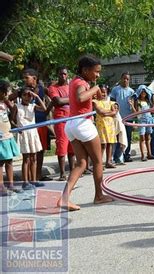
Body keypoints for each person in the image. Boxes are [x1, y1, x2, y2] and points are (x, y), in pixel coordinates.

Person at [58, 54, 114, 211]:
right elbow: (81, 97)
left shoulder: (74, 81)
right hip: (83, 124)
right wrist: (95, 88)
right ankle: (99, 196)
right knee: (97, 161)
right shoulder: (82, 83)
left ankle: (64, 198)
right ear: (85, 70)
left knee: (81, 163)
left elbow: (85, 100)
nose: (98, 75)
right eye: (96, 72)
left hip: (71, 125)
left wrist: (95, 94)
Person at [21, 69, 52, 182]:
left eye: (26, 77)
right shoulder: (22, 90)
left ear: (34, 78)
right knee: (28, 153)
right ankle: (28, 177)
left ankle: (37, 175)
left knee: (39, 150)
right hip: (28, 125)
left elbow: (46, 104)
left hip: (40, 122)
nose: (24, 80)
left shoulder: (41, 89)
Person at [15, 87, 47, 189]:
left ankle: (33, 181)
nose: (27, 97)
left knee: (34, 158)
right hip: (24, 134)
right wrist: (17, 127)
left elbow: (44, 109)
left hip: (33, 133)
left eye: (29, 95)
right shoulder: (17, 106)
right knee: (26, 159)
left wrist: (37, 96)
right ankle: (25, 182)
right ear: (21, 96)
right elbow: (12, 120)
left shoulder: (33, 106)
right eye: (24, 95)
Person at [47, 67, 74, 181]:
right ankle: (62, 173)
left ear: (67, 75)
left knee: (72, 147)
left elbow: (66, 100)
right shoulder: (53, 87)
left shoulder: (71, 87)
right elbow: (58, 101)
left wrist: (67, 99)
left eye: (65, 74)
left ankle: (73, 171)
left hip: (72, 119)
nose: (63, 76)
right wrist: (73, 99)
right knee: (62, 146)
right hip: (61, 120)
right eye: (61, 74)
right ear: (57, 75)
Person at [0, 80, 21, 194]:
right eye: (5, 92)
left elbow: (14, 109)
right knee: (0, 162)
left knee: (9, 160)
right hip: (0, 137)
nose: (6, 94)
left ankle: (11, 184)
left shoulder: (5, 103)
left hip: (7, 135)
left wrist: (8, 102)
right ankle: (1, 186)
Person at [110, 72, 135, 163]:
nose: (125, 80)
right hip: (118, 118)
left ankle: (126, 155)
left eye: (127, 79)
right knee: (117, 137)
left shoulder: (132, 91)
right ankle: (117, 157)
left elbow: (134, 105)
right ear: (121, 79)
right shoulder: (115, 90)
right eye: (124, 78)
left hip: (129, 117)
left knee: (127, 137)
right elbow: (112, 102)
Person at [93, 85, 118, 168]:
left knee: (110, 143)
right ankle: (99, 163)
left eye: (105, 92)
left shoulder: (111, 102)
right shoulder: (95, 102)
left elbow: (114, 113)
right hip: (101, 126)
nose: (103, 94)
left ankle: (108, 161)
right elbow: (100, 112)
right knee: (102, 144)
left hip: (110, 126)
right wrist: (109, 112)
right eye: (101, 92)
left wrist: (106, 113)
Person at [131, 85, 154, 161]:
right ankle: (143, 155)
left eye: (145, 92)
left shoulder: (148, 101)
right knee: (142, 137)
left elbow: (152, 110)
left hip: (149, 119)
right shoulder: (137, 101)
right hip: (142, 120)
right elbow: (136, 113)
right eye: (142, 92)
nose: (143, 93)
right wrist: (132, 105)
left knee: (148, 137)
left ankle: (149, 153)